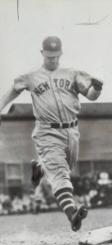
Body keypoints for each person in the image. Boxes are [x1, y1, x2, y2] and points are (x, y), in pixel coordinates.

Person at [0, 36, 103, 231]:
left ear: (60, 54)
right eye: (49, 56)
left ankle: (39, 168)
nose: (52, 60)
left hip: (72, 131)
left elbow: (91, 95)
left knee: (66, 167)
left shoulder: (72, 73)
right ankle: (72, 213)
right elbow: (13, 89)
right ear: (42, 54)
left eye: (55, 56)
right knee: (60, 174)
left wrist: (97, 88)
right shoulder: (31, 76)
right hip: (47, 131)